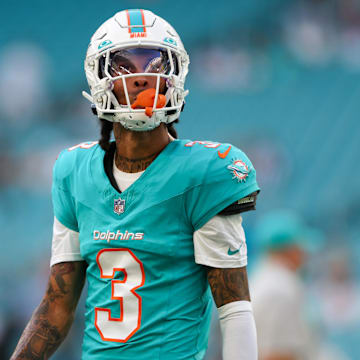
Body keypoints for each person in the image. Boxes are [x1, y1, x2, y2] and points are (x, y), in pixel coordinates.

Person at [11, 9, 260, 360]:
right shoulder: (74, 171)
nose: (143, 77)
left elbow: (233, 309)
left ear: (175, 75)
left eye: (155, 63)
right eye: (125, 66)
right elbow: (56, 307)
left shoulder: (204, 172)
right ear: (99, 77)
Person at [250, 210, 316, 360]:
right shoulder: (280, 287)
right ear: (288, 250)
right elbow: (276, 354)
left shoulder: (263, 279)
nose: (305, 254)